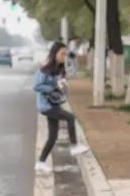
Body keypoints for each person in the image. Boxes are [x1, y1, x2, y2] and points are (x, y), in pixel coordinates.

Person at [33, 41, 89, 173]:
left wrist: (62, 85)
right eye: (61, 54)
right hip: (46, 105)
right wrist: (54, 86)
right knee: (70, 117)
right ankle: (74, 146)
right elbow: (37, 86)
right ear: (54, 53)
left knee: (52, 137)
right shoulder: (45, 68)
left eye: (65, 54)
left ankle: (40, 162)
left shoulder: (60, 67)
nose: (64, 56)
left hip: (54, 103)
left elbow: (60, 82)